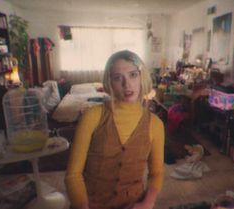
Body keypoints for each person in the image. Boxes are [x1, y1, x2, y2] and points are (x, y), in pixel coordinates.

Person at [65, 50, 165, 209]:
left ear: (141, 77)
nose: (127, 84)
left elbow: (156, 173)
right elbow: (73, 175)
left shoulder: (156, 124)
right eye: (118, 78)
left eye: (133, 75)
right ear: (109, 82)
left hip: (133, 203)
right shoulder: (92, 116)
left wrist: (148, 202)